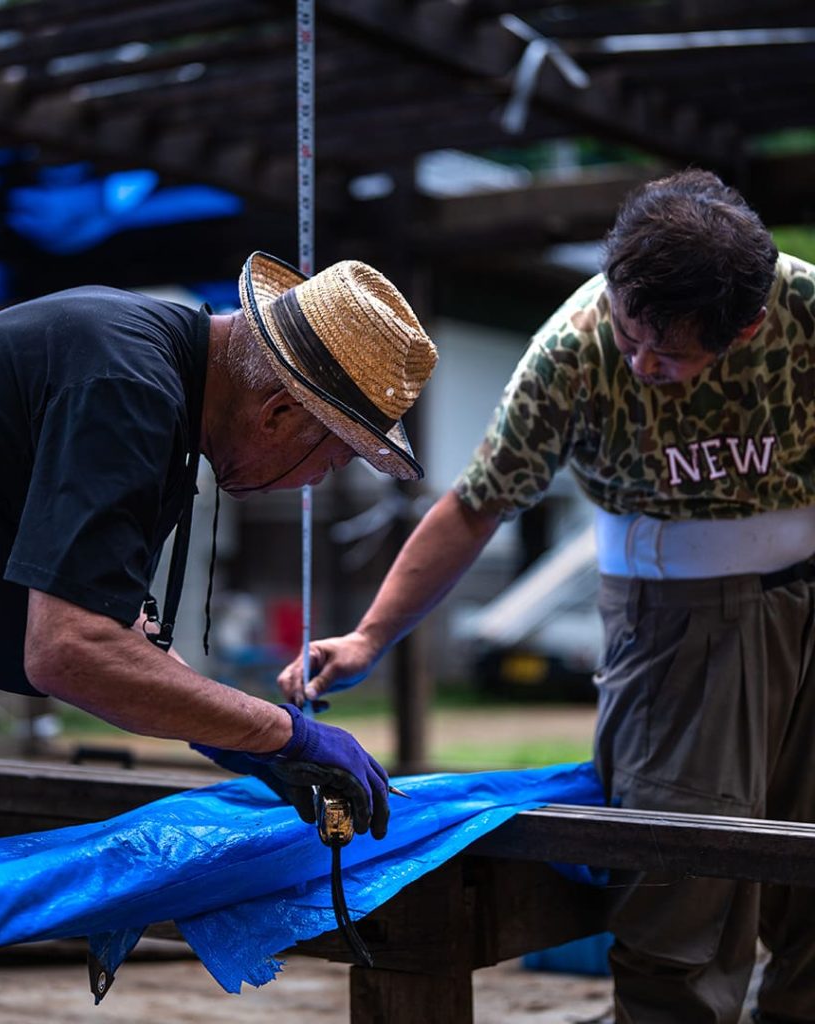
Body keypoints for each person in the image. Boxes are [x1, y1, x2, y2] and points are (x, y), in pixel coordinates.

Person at [0, 250, 438, 1023]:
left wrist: (213, 725)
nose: (317, 482)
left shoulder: (148, 363)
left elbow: (96, 625)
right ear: (278, 415)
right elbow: (69, 650)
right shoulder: (130, 387)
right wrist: (280, 733)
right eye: (332, 459)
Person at [279, 169, 815, 1024]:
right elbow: (478, 502)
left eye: (669, 353)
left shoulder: (802, 310)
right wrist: (370, 637)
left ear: (746, 327)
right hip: (674, 616)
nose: (641, 363)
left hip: (807, 592)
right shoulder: (573, 348)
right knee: (677, 874)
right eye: (630, 330)